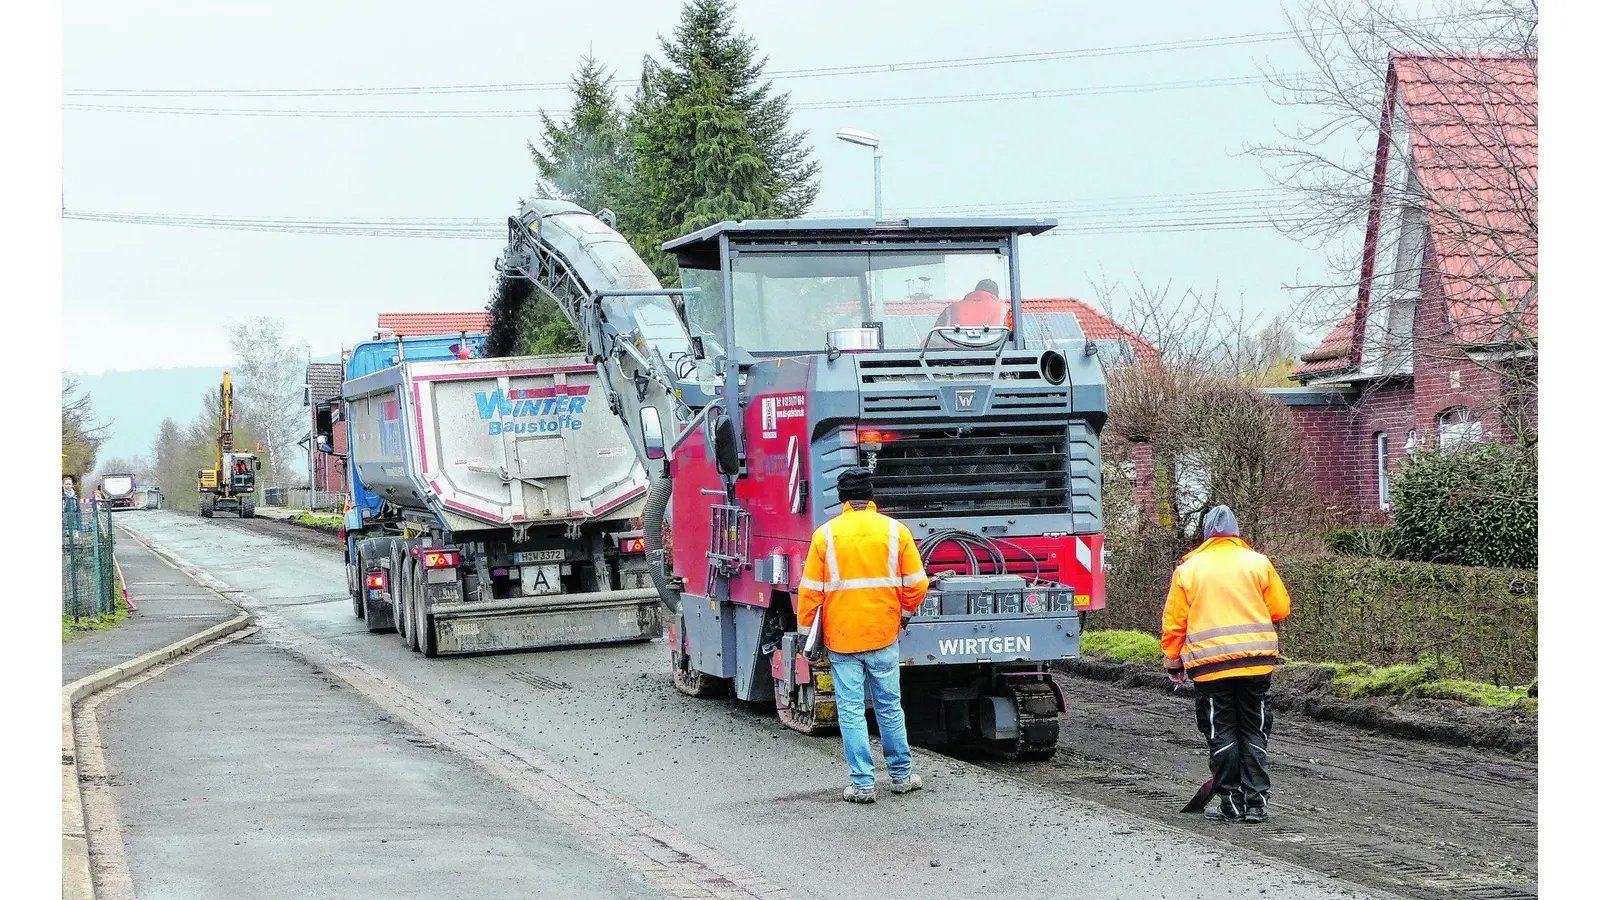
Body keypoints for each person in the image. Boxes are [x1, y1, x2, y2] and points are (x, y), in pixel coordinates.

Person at [797, 468, 929, 803]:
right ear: (870, 497)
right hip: (883, 633)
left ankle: (863, 784)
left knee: (852, 709)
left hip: (842, 638)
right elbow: (918, 583)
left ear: (842, 499)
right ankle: (901, 776)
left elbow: (810, 591)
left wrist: (804, 635)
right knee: (889, 706)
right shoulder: (895, 531)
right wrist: (904, 615)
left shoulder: (825, 536)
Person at [1161, 506, 1292, 824]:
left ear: (1206, 534)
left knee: (1221, 732)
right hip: (1256, 664)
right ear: (1235, 532)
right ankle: (1257, 804)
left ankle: (1231, 804)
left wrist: (1173, 662)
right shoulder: (1258, 563)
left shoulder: (1188, 570)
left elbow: (1174, 624)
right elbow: (1280, 608)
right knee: (1254, 730)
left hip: (1208, 668)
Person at [934, 278, 1008, 329]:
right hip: (995, 352)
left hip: (956, 352)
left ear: (975, 292)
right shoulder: (1004, 310)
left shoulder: (951, 309)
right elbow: (1012, 341)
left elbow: (934, 342)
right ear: (996, 296)